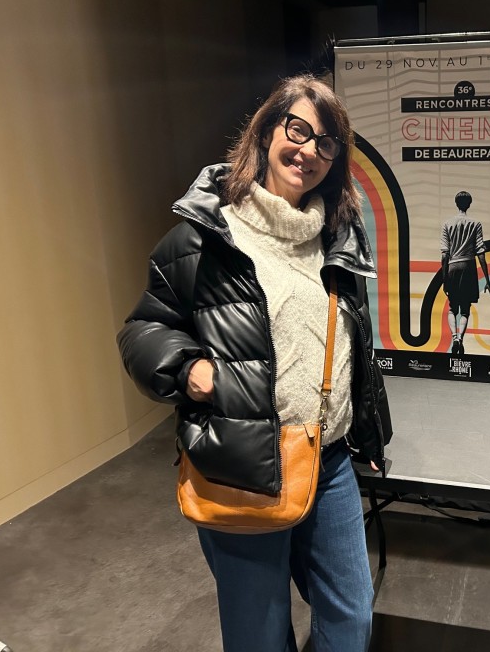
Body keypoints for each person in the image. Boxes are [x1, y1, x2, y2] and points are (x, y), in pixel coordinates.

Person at [117, 73, 392, 652]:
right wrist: (188, 369)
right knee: (258, 636)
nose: (308, 150)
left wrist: (367, 426)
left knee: (351, 620)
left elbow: (352, 343)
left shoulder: (338, 238)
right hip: (241, 462)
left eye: (326, 143)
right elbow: (143, 328)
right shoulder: (205, 237)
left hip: (329, 459)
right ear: (266, 132)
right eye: (298, 130)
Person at [440, 190, 490, 354]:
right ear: (469, 204)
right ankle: (460, 339)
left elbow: (444, 255)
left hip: (453, 267)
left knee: (452, 308)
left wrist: (444, 279)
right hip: (469, 267)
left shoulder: (447, 224)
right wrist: (487, 280)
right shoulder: (476, 224)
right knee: (465, 309)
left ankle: (454, 336)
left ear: (456, 203)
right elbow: (481, 253)